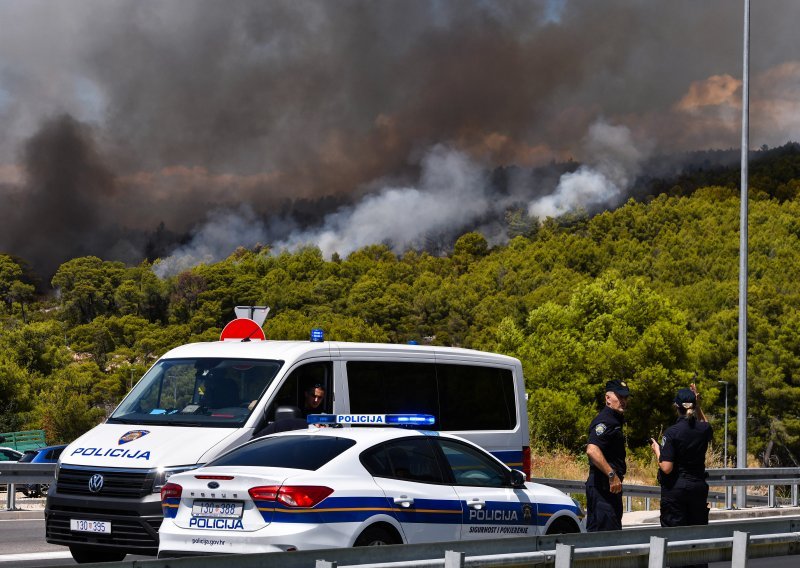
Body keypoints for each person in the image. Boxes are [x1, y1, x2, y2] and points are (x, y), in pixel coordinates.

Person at [650, 385, 712, 530]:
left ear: (676, 406)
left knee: (674, 537)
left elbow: (666, 467)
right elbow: (706, 425)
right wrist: (698, 407)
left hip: (676, 490)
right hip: (698, 489)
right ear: (694, 406)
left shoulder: (672, 432)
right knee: (697, 534)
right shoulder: (703, 430)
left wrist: (657, 450)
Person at [585, 379, 631, 532]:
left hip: (609, 489)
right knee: (604, 541)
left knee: (611, 536)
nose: (623, 401)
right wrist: (611, 474)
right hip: (601, 488)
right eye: (620, 397)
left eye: (625, 397)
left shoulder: (615, 420)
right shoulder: (605, 420)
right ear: (608, 398)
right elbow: (592, 450)